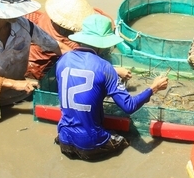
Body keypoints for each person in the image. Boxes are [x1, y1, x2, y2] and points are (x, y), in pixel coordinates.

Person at [54, 14, 169, 161]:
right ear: (102, 44)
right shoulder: (105, 67)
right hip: (90, 145)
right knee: (125, 141)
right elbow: (129, 106)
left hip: (64, 140)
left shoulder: (63, 60)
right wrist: (153, 88)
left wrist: (114, 72)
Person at [24, 0, 130, 80]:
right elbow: (84, 62)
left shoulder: (49, 16)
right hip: (37, 68)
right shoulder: (61, 40)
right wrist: (115, 70)